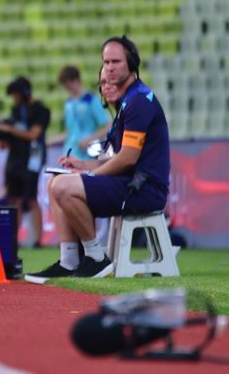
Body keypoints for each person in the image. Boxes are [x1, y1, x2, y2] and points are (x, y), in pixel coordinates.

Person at [27, 36, 170, 280]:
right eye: (106, 62)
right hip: (129, 183)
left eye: (116, 61)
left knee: (62, 185)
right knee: (55, 182)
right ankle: (70, 260)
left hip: (143, 189)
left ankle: (96, 258)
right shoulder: (128, 102)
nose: (110, 68)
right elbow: (114, 159)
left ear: (132, 63)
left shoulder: (139, 101)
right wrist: (83, 165)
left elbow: (127, 158)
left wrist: (88, 174)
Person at [0, 77, 51, 247]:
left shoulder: (41, 110)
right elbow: (7, 140)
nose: (14, 98)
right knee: (13, 199)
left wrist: (9, 129)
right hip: (14, 159)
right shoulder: (15, 110)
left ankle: (39, 240)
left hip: (32, 159)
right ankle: (12, 238)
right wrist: (2, 135)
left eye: (16, 94)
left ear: (24, 93)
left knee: (31, 199)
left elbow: (33, 134)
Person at [50, 65, 111, 161]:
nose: (67, 88)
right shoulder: (68, 103)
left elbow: (108, 127)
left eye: (68, 83)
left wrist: (90, 140)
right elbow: (69, 132)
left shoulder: (91, 100)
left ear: (76, 80)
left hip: (86, 156)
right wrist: (50, 141)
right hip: (69, 152)